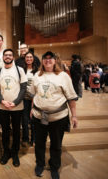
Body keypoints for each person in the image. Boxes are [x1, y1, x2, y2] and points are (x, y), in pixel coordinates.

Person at [30, 51, 78, 179]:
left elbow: (71, 98)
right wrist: (32, 109)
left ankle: (54, 166)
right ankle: (40, 164)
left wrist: (74, 115)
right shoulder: (37, 76)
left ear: (55, 61)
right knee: (39, 143)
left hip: (58, 117)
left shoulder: (63, 76)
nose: (48, 61)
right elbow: (34, 94)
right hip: (39, 116)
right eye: (45, 59)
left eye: (50, 59)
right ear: (42, 61)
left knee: (56, 144)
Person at [0, 49, 27, 167]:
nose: (8, 57)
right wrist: (2, 100)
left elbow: (23, 88)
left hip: (17, 107)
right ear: (3, 57)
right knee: (5, 131)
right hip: (3, 106)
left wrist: (15, 102)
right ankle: (6, 152)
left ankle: (15, 153)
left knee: (16, 131)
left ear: (13, 57)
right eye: (6, 55)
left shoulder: (19, 70)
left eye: (10, 55)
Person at [22, 51, 38, 147]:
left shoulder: (37, 71)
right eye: (27, 57)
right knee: (24, 119)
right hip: (24, 98)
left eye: (30, 57)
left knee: (34, 119)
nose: (28, 59)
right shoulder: (21, 70)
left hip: (34, 98)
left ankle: (34, 138)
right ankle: (25, 138)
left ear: (33, 58)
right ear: (25, 59)